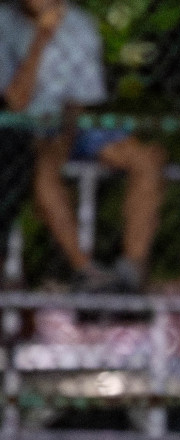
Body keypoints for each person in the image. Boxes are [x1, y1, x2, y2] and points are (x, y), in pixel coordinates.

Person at [0, 0, 164, 292]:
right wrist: (41, 38)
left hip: (71, 123)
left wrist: (65, 135)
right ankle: (84, 269)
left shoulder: (79, 24)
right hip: (21, 128)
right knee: (43, 166)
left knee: (146, 159)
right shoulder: (4, 22)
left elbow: (81, 100)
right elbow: (15, 101)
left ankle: (132, 267)